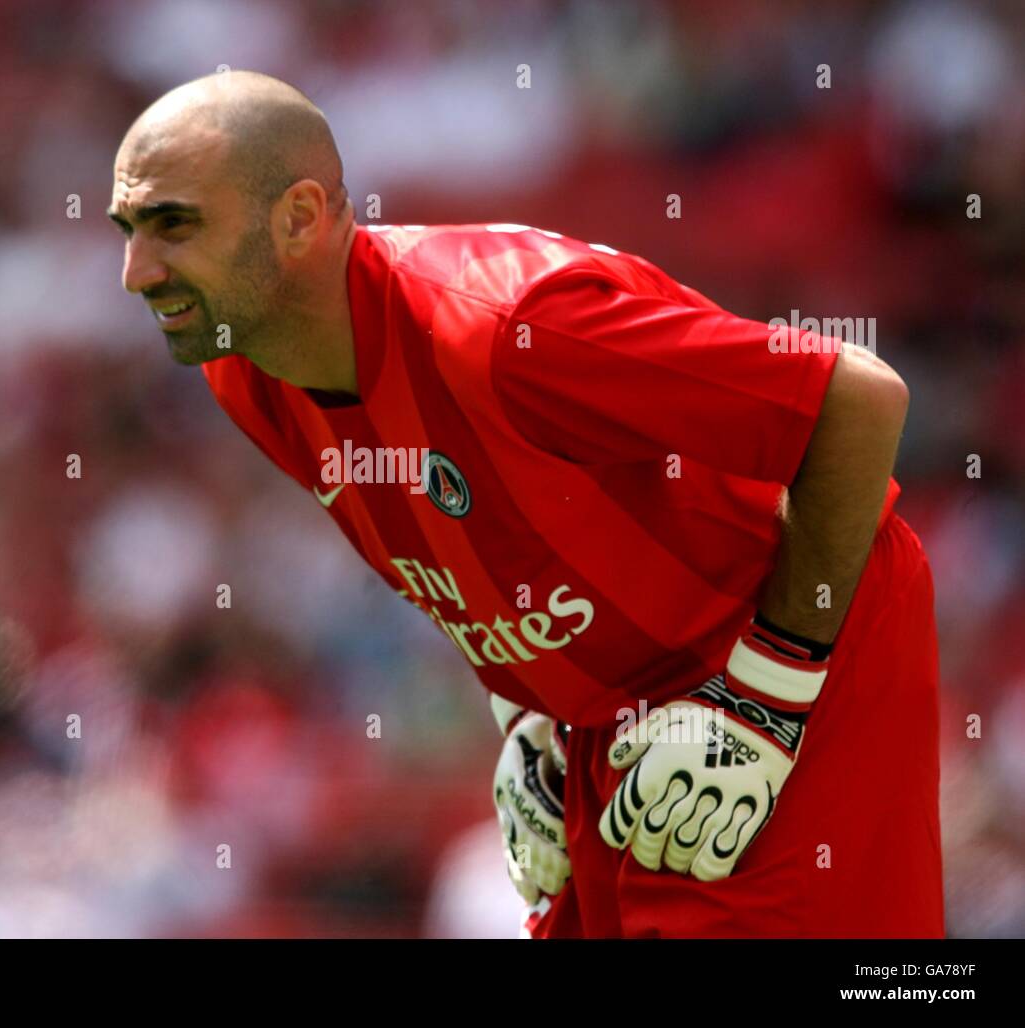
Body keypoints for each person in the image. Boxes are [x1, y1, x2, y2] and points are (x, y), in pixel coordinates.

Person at [107, 70, 943, 938]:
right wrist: (526, 717)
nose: (136, 272)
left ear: (300, 218)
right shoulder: (243, 369)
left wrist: (768, 693)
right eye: (127, 230)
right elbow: (466, 535)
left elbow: (856, 400)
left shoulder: (503, 330)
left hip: (796, 662)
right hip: (609, 719)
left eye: (174, 224)